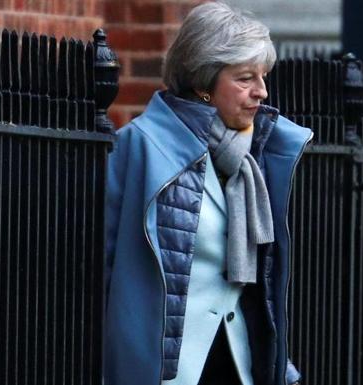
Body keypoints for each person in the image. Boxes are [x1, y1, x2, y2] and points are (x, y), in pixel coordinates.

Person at [104, 3, 312, 385]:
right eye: (245, 78)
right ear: (204, 83)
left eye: (263, 77)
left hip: (238, 363)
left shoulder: (254, 158)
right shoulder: (140, 146)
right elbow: (102, 265)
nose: (261, 92)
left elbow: (260, 290)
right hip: (168, 369)